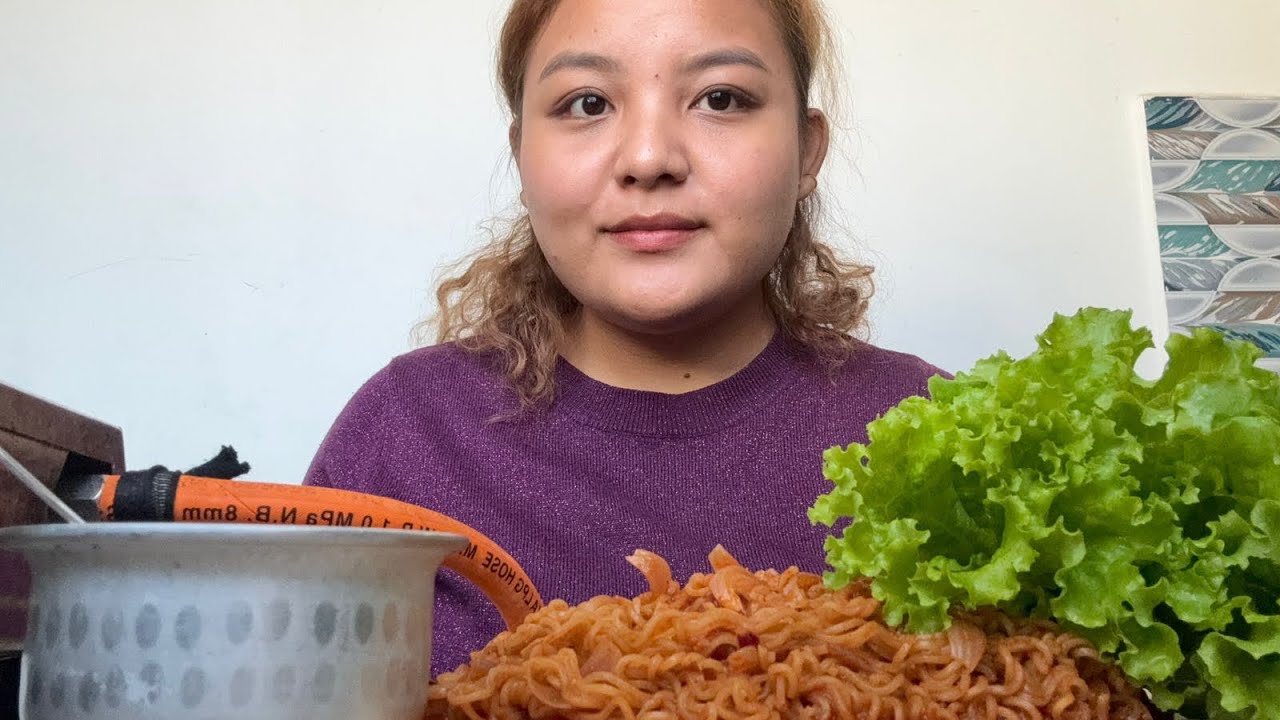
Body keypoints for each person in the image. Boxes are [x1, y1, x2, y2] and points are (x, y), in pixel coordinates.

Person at [305, 0, 944, 676]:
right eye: (587, 104)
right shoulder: (403, 434)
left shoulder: (925, 432)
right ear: (521, 155)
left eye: (720, 98)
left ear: (807, 149)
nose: (648, 158)